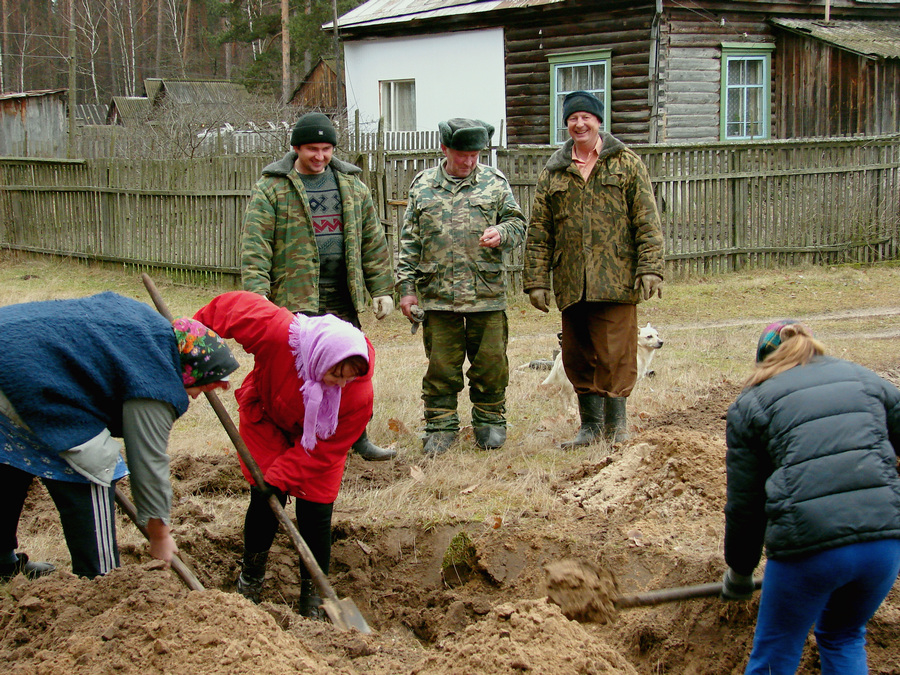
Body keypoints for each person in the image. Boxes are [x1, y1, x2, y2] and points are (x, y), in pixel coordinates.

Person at [0, 292, 239, 580]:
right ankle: (101, 582)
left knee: (14, 454)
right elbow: (148, 460)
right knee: (95, 466)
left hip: (13, 351)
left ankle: (2, 563)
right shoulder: (155, 380)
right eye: (203, 387)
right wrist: (160, 535)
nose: (199, 397)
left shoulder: (150, 332)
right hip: (23, 368)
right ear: (190, 370)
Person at [722, 319, 900, 675]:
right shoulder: (865, 380)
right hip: (883, 544)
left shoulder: (752, 402)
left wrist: (740, 572)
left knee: (776, 651)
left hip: (808, 546)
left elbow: (746, 504)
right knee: (843, 636)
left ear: (764, 362)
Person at [193, 290, 376, 619]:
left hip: (320, 439)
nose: (341, 386)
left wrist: (281, 476)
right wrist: (191, 345)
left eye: (349, 379)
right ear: (320, 356)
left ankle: (314, 598)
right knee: (264, 497)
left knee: (317, 513)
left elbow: (323, 453)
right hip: (268, 418)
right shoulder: (279, 333)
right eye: (336, 375)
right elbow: (227, 310)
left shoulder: (358, 395)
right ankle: (250, 580)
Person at [241, 111, 396, 462]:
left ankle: (356, 438)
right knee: (293, 371)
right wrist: (256, 294)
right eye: (312, 149)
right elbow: (256, 244)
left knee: (351, 369)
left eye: (326, 149)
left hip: (341, 294)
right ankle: (293, 438)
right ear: (296, 148)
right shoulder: (272, 188)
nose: (320, 156)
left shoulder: (353, 187)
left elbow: (372, 240)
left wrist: (382, 289)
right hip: (293, 296)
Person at [523, 90, 664, 448]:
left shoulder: (626, 163)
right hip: (572, 280)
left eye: (587, 117)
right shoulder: (554, 172)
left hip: (617, 276)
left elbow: (646, 219)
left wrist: (650, 267)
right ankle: (590, 427)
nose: (579, 123)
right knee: (578, 353)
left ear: (599, 121)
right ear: (566, 124)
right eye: (573, 118)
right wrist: (536, 280)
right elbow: (539, 230)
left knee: (617, 352)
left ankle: (617, 427)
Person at [397, 118, 526, 455]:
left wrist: (503, 233)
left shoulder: (495, 183)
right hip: (438, 294)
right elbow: (409, 242)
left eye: (474, 155)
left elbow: (517, 223)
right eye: (461, 155)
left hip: (486, 291)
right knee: (441, 364)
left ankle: (489, 420)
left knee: (492, 362)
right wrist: (407, 289)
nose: (469, 162)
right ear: (444, 149)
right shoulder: (423, 185)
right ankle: (440, 426)